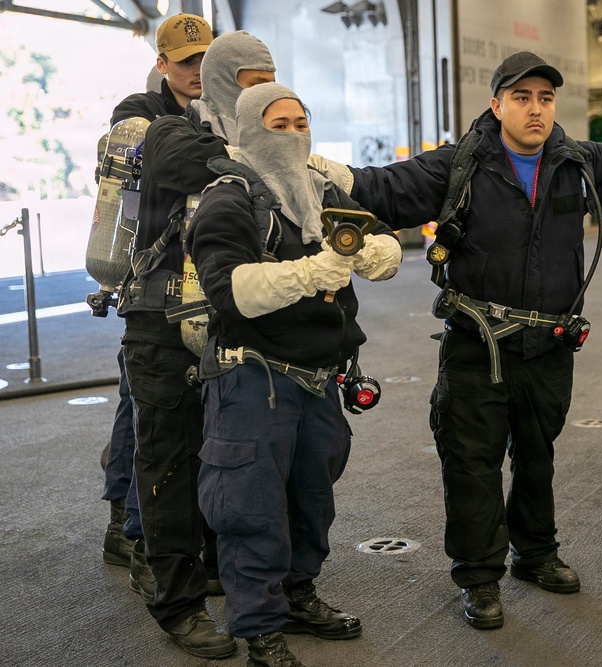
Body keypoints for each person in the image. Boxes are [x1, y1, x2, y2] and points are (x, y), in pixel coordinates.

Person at [345, 50, 602, 630]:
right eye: (521, 97)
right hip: (476, 344)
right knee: (472, 462)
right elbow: (379, 187)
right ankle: (480, 576)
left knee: (537, 456)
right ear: (496, 105)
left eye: (544, 98)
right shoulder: (459, 166)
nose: (535, 109)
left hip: (550, 345)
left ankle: (535, 553)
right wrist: (298, 163)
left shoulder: (578, 162)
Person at [189, 82, 397, 667]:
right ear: (250, 130)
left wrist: (371, 254)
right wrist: (316, 270)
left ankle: (299, 593)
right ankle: (258, 626)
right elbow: (231, 292)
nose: (293, 135)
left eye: (301, 123)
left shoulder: (319, 189)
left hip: (319, 379)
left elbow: (380, 241)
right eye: (278, 125)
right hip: (254, 381)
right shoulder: (228, 199)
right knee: (250, 508)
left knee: (313, 500)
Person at [117, 30, 279, 660]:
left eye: (267, 75)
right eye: (246, 78)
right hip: (160, 322)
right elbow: (183, 165)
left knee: (232, 456)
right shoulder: (165, 130)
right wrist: (255, 146)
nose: (260, 89)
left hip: (228, 319)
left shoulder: (265, 132)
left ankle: (228, 576)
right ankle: (178, 604)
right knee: (168, 462)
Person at [101, 12, 214, 601]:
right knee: (145, 413)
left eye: (205, 60)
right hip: (153, 286)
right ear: (162, 63)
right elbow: (168, 168)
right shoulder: (137, 114)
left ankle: (141, 526)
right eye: (187, 61)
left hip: (206, 287)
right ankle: (130, 530)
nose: (198, 71)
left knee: (162, 412)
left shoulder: (215, 109)